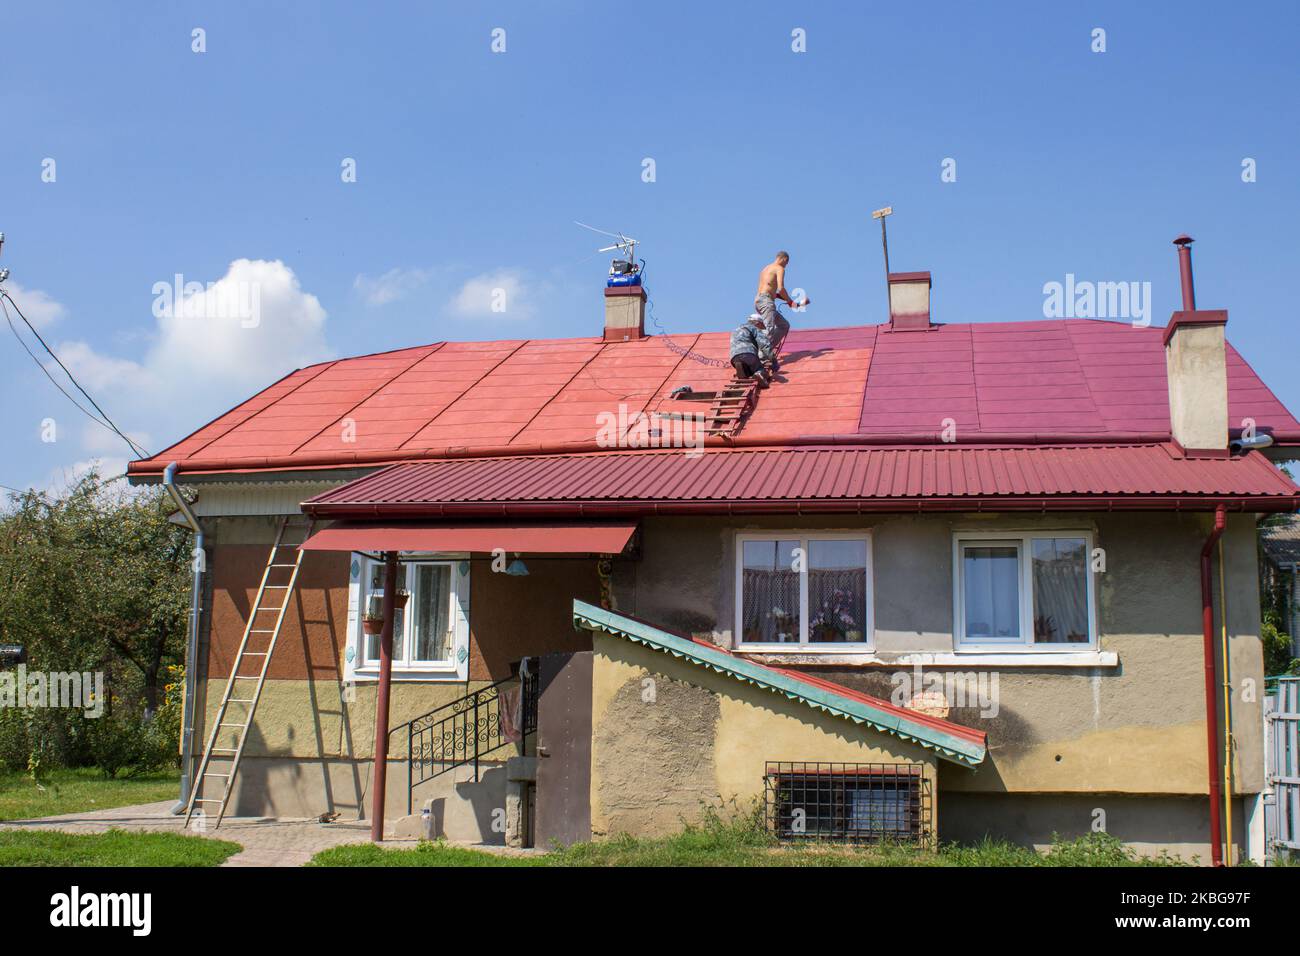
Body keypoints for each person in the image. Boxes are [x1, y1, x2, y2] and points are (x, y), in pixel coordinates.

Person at [755, 250, 801, 364]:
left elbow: (773, 292)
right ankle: (761, 356)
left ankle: (765, 349)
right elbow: (781, 288)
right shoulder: (780, 268)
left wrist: (785, 299)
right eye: (786, 263)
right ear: (784, 259)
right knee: (769, 328)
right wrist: (790, 301)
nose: (786, 266)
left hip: (760, 300)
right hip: (766, 301)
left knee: (783, 325)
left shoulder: (766, 269)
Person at [729, 314, 772, 387]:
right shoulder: (754, 328)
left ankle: (742, 370)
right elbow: (764, 344)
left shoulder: (736, 329)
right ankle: (759, 373)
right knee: (759, 369)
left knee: (748, 369)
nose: (761, 328)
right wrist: (772, 358)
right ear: (757, 323)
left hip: (734, 356)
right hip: (748, 353)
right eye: (761, 326)